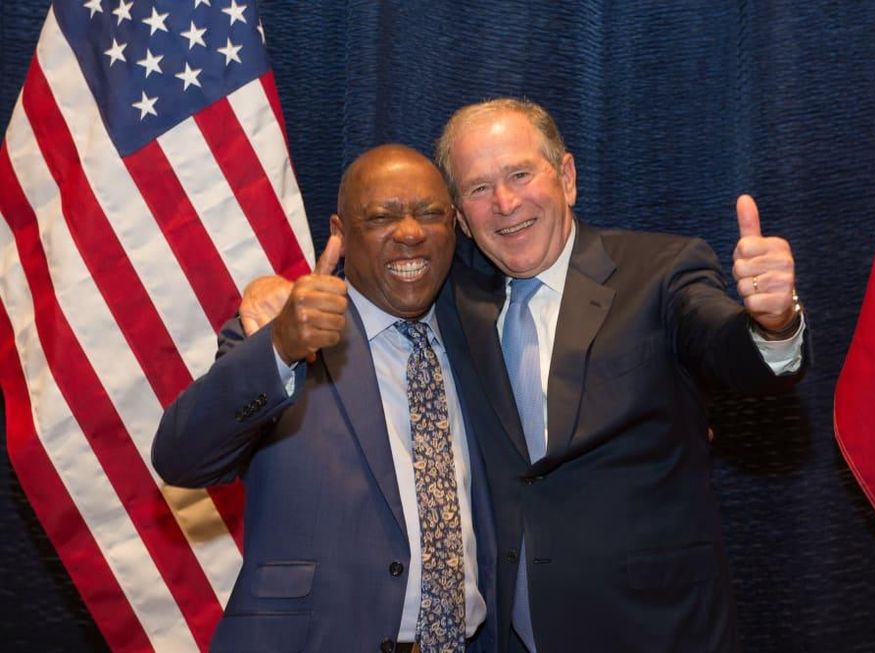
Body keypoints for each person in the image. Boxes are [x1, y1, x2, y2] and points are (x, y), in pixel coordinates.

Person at [240, 99, 807, 652]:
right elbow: (369, 294)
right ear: (460, 215)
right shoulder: (451, 296)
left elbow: (727, 349)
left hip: (657, 628)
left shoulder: (659, 271)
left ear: (566, 176)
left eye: (519, 174)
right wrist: (276, 293)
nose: (506, 203)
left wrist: (772, 322)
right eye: (479, 188)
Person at [152, 145, 497, 653]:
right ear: (340, 232)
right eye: (381, 217)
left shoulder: (479, 334)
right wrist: (279, 348)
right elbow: (181, 457)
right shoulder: (282, 332)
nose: (409, 233)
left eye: (429, 214)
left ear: (454, 225)